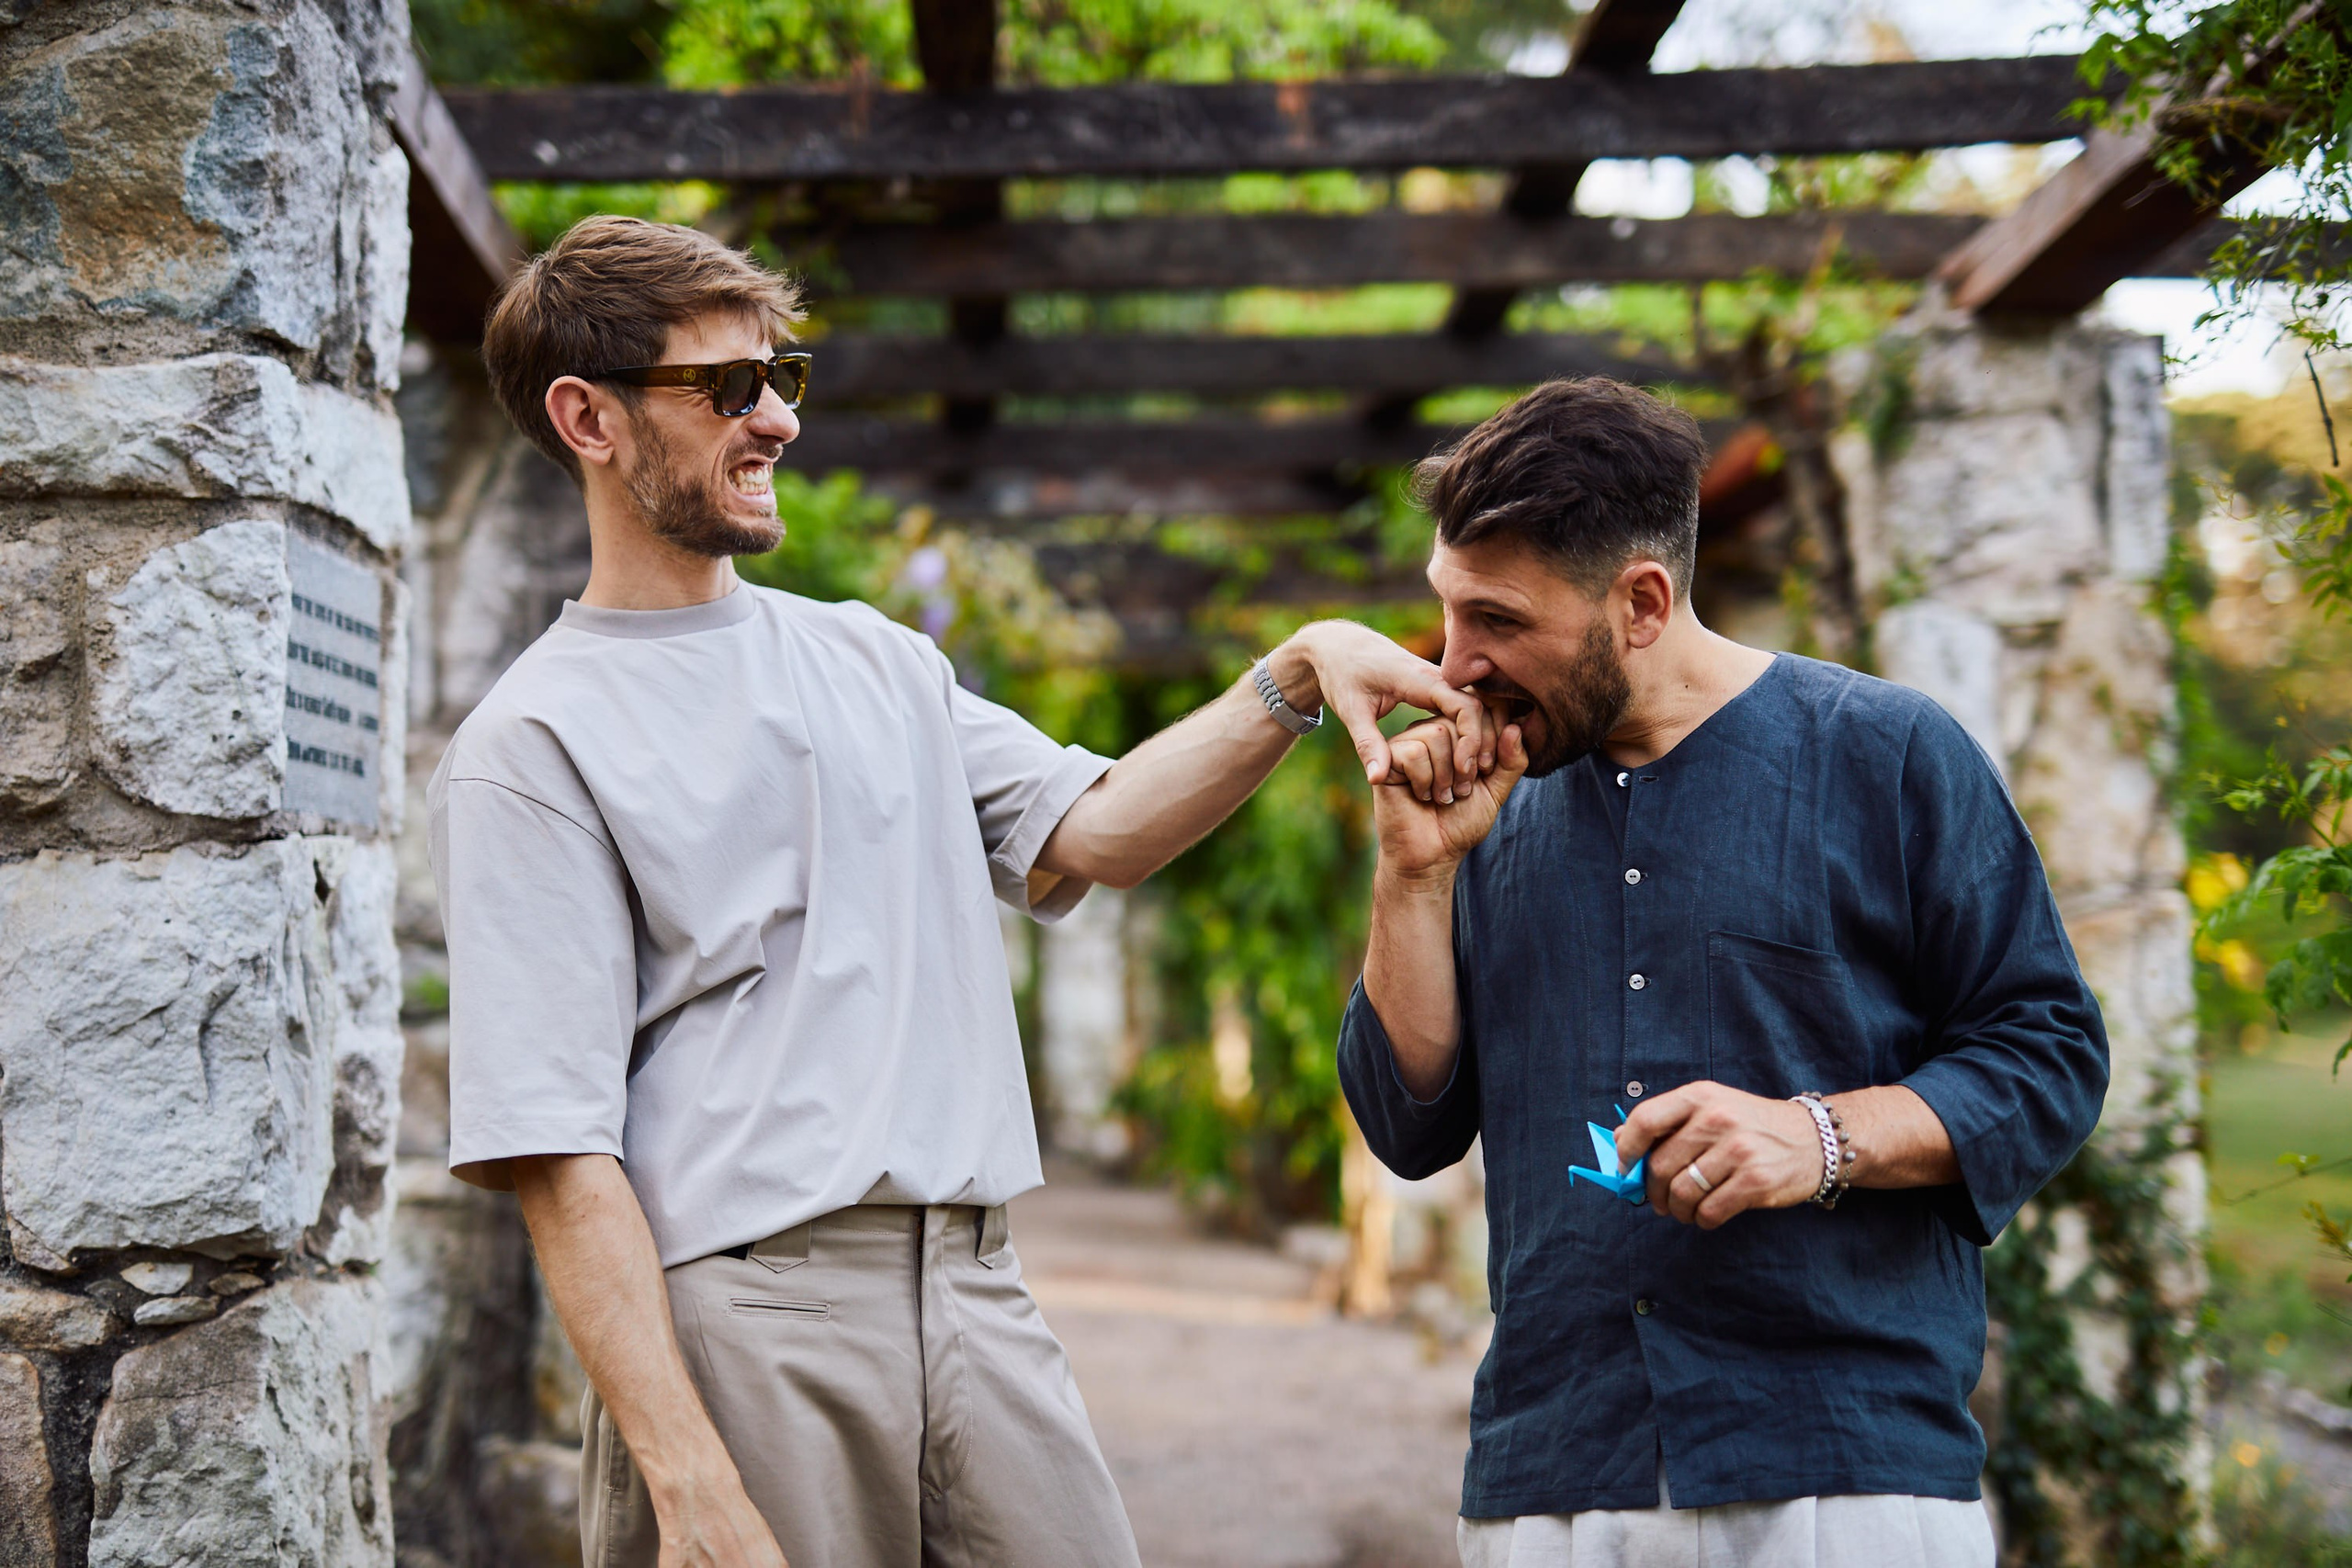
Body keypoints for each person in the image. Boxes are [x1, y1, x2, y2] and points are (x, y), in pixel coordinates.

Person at [431, 215, 1494, 1568]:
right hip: (751, 1319)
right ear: (588, 418)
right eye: (729, 388)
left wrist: (1292, 676)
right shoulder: (533, 745)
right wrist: (686, 1480)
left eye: (785, 380)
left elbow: (1095, 829)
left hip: (980, 1295)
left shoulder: (878, 661)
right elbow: (557, 1152)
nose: (777, 423)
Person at [1338, 378, 2110, 1568]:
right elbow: (1406, 1122)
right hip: (1550, 1480)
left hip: (1841, 1475)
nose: (1456, 665)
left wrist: (1823, 1137)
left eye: (1498, 621)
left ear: (1641, 602)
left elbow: (2049, 1055)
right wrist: (1412, 877)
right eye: (1449, 613)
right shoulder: (1481, 811)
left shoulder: (1890, 755)